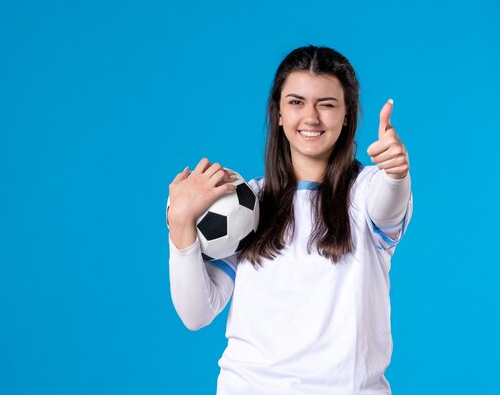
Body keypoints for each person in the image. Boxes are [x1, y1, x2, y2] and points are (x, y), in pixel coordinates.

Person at [166, 45, 413, 395]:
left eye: (326, 104)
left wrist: (397, 172)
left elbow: (389, 202)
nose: (310, 118)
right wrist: (181, 223)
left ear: (347, 116)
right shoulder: (244, 204)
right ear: (278, 113)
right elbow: (196, 314)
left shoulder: (366, 191)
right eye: (296, 102)